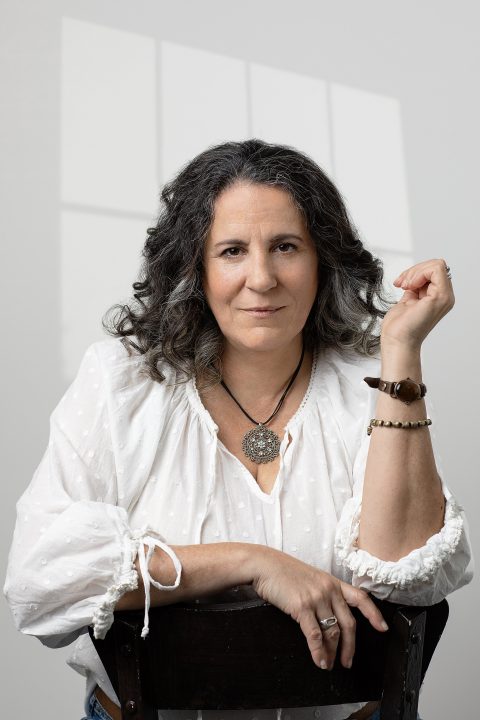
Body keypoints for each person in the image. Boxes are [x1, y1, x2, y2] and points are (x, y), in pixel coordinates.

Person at [4, 139, 473, 720]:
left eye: (285, 247)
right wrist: (252, 562)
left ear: (321, 258)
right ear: (194, 267)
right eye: (231, 250)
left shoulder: (366, 390)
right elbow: (40, 582)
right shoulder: (119, 384)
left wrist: (401, 352)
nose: (262, 277)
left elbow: (410, 576)